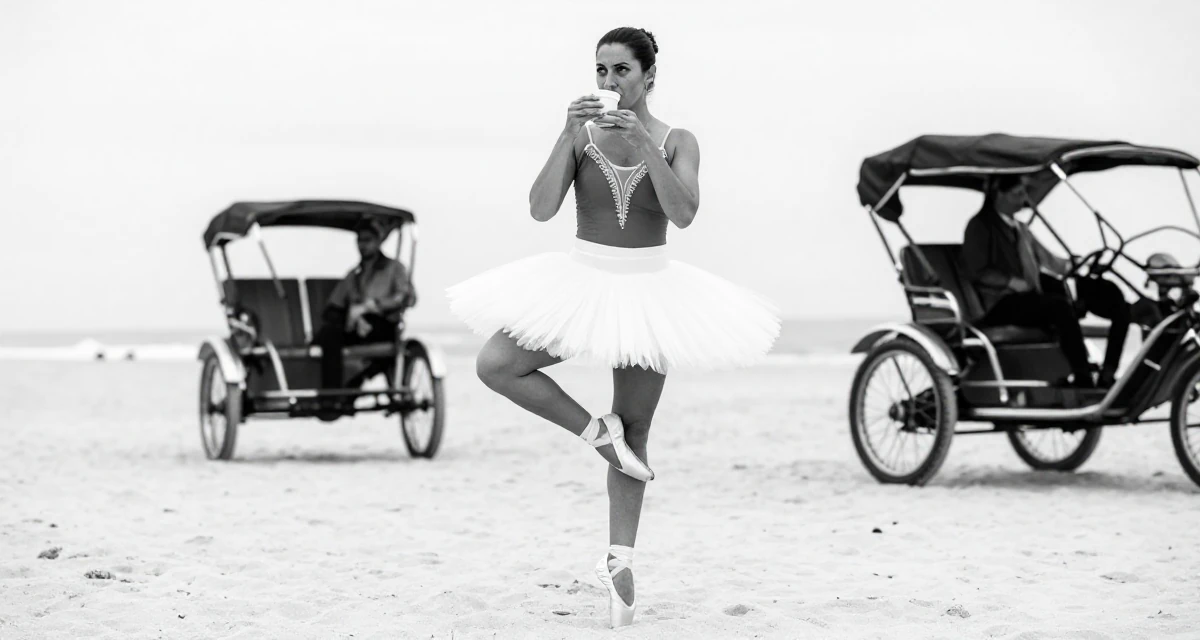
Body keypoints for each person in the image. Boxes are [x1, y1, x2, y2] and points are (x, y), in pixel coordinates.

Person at [446, 27, 779, 628]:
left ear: (649, 77)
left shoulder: (680, 140)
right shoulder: (583, 134)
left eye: (621, 71)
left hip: (650, 290)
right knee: (497, 364)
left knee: (639, 428)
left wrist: (646, 146)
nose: (608, 83)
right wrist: (566, 134)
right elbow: (541, 208)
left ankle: (620, 564)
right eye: (600, 71)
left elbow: (683, 213)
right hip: (581, 281)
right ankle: (593, 430)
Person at [963, 176, 1131, 388]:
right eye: (1017, 194)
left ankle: (1108, 373)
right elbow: (977, 271)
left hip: (1028, 296)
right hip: (999, 303)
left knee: (1111, 296)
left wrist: (1077, 265)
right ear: (999, 195)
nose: (1024, 199)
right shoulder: (980, 226)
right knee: (1059, 307)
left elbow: (1049, 261)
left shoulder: (1021, 229)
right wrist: (1010, 282)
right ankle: (1082, 377)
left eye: (1024, 193)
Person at [315, 218, 413, 395]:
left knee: (378, 330)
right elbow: (333, 307)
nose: (363, 245)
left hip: (383, 325)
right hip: (356, 327)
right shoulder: (353, 275)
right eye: (360, 240)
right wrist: (354, 317)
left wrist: (373, 306)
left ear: (378, 241)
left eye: (368, 240)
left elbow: (407, 297)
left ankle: (358, 380)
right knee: (328, 335)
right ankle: (333, 395)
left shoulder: (394, 268)